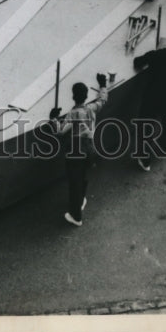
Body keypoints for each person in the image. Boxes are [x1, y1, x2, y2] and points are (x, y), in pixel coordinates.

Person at [51, 74, 108, 225]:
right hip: (90, 149)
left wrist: (54, 119)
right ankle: (82, 199)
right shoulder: (91, 108)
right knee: (82, 176)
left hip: (76, 150)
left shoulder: (72, 114)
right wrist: (103, 85)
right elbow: (102, 100)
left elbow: (60, 130)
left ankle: (76, 216)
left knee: (74, 182)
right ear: (86, 96)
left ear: (73, 96)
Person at [132, 38, 166, 171]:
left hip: (151, 94)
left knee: (145, 126)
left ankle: (145, 160)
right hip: (164, 93)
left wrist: (152, 57)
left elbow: (137, 62)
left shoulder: (153, 56)